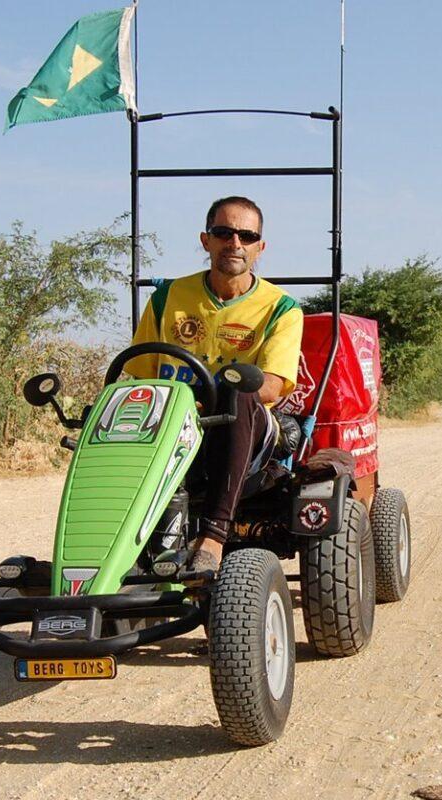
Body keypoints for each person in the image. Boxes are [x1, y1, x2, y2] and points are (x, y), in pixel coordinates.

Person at [127, 196, 303, 573]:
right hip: (172, 426)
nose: (234, 243)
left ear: (259, 247)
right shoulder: (167, 298)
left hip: (248, 429)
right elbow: (142, 374)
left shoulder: (281, 308)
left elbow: (272, 386)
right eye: (224, 233)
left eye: (246, 236)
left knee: (237, 388)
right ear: (206, 240)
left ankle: (213, 536)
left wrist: (209, 400)